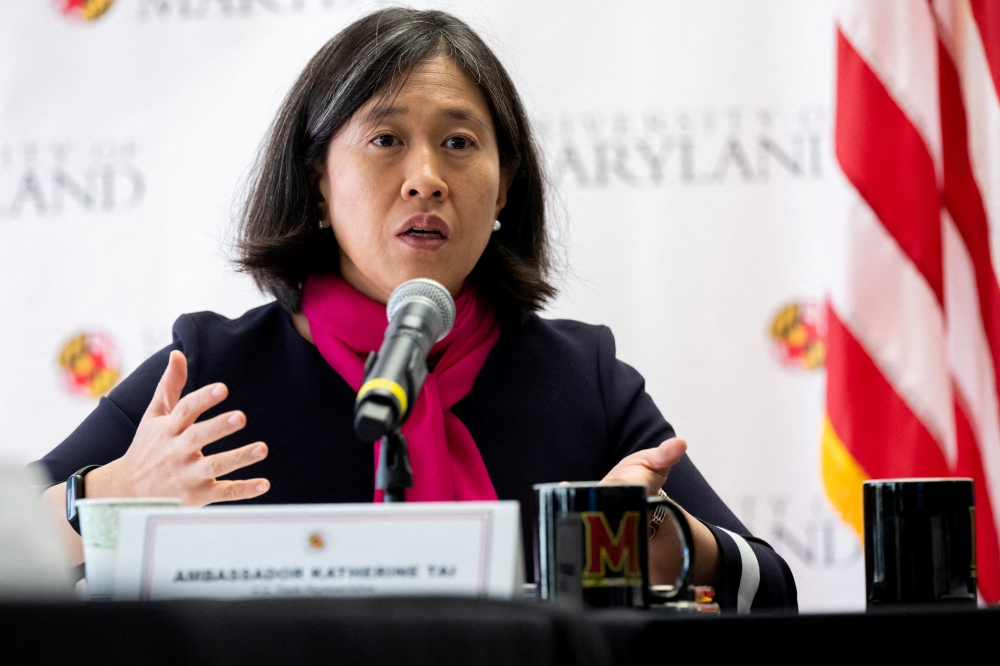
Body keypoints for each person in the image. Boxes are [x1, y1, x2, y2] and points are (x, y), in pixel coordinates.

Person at [37, 8, 795, 612]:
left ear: (502, 190)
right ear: (319, 183)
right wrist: (105, 496)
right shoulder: (208, 380)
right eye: (386, 139)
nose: (426, 178)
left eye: (459, 143)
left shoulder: (580, 381)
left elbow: (773, 587)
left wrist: (670, 542)